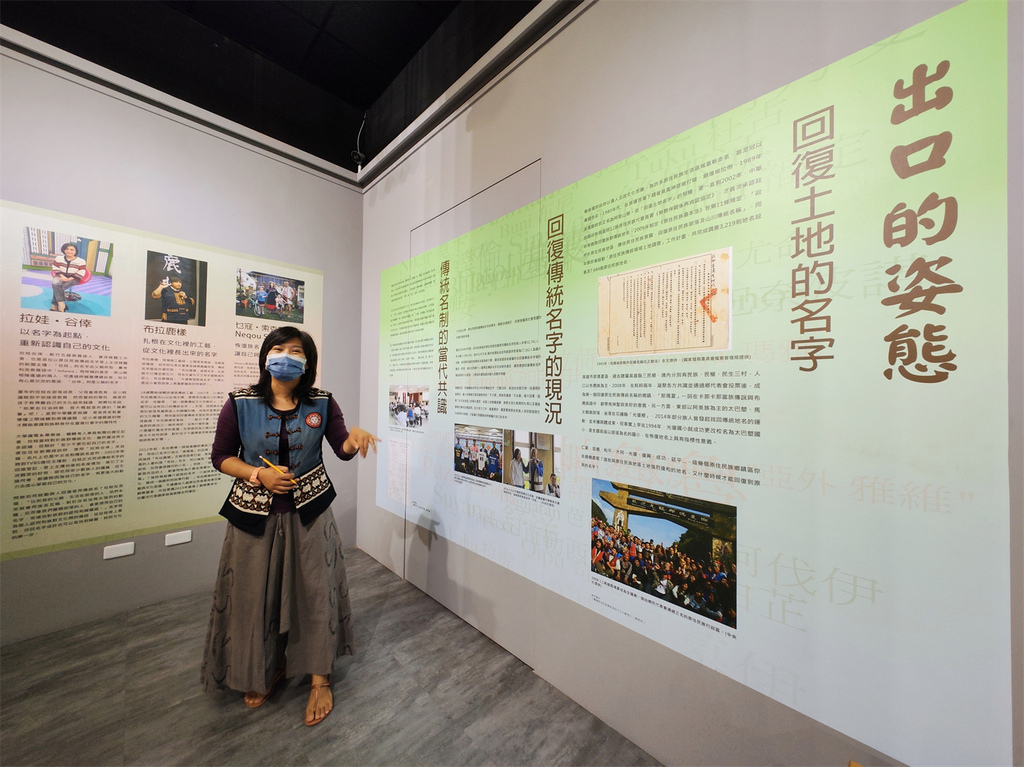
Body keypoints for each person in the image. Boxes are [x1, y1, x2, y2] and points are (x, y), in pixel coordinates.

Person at [201, 326, 379, 727]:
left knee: (315, 592)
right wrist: (258, 475)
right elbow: (221, 456)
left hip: (310, 511)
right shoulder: (239, 403)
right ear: (266, 357)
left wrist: (354, 438)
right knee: (253, 596)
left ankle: (319, 678)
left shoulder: (322, 402)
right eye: (278, 348)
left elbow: (342, 449)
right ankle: (263, 668)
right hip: (252, 513)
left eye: (295, 351)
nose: (285, 356)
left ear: (307, 362)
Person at [50, 242, 87, 312]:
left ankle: (54, 304)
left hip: (74, 278)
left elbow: (82, 271)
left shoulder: (81, 261)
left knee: (58, 288)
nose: (69, 251)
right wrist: (61, 275)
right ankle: (61, 304)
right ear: (63, 250)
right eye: (67, 249)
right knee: (55, 283)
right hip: (60, 275)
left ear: (75, 251)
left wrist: (70, 278)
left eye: (72, 249)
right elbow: (55, 266)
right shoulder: (58, 258)